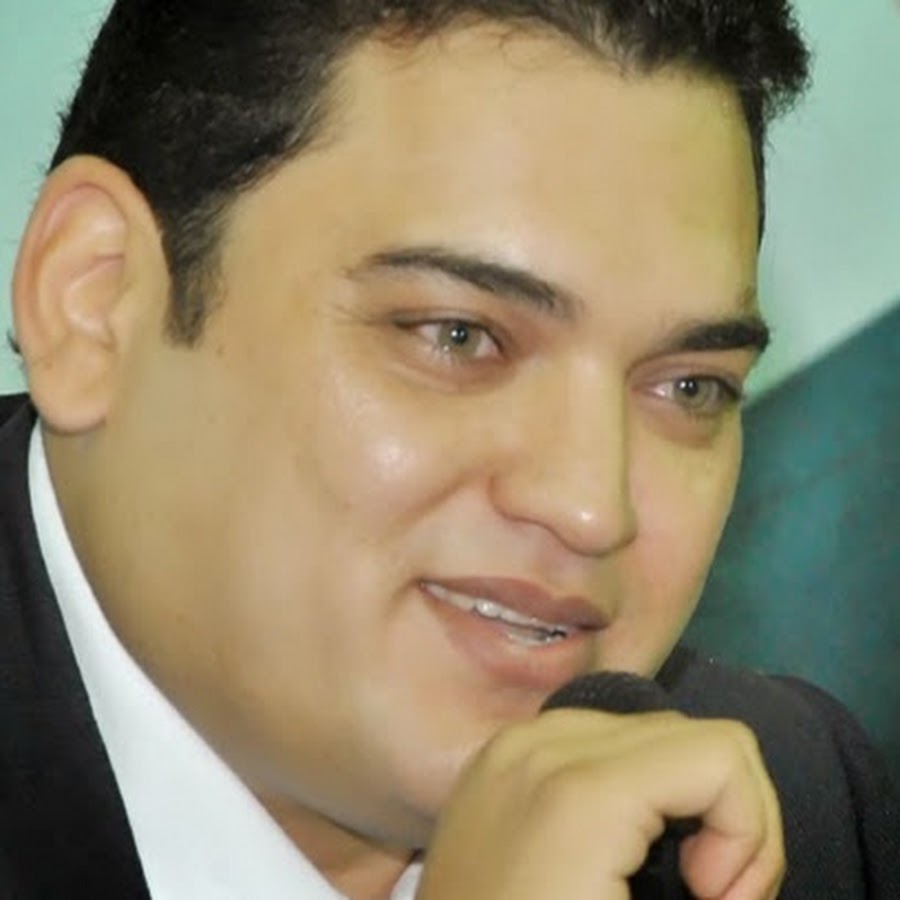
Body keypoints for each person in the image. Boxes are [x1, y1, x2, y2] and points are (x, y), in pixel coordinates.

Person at [1, 1, 896, 898]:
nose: (592, 508)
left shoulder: (793, 808)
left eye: (690, 387)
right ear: (95, 304)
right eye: (458, 337)